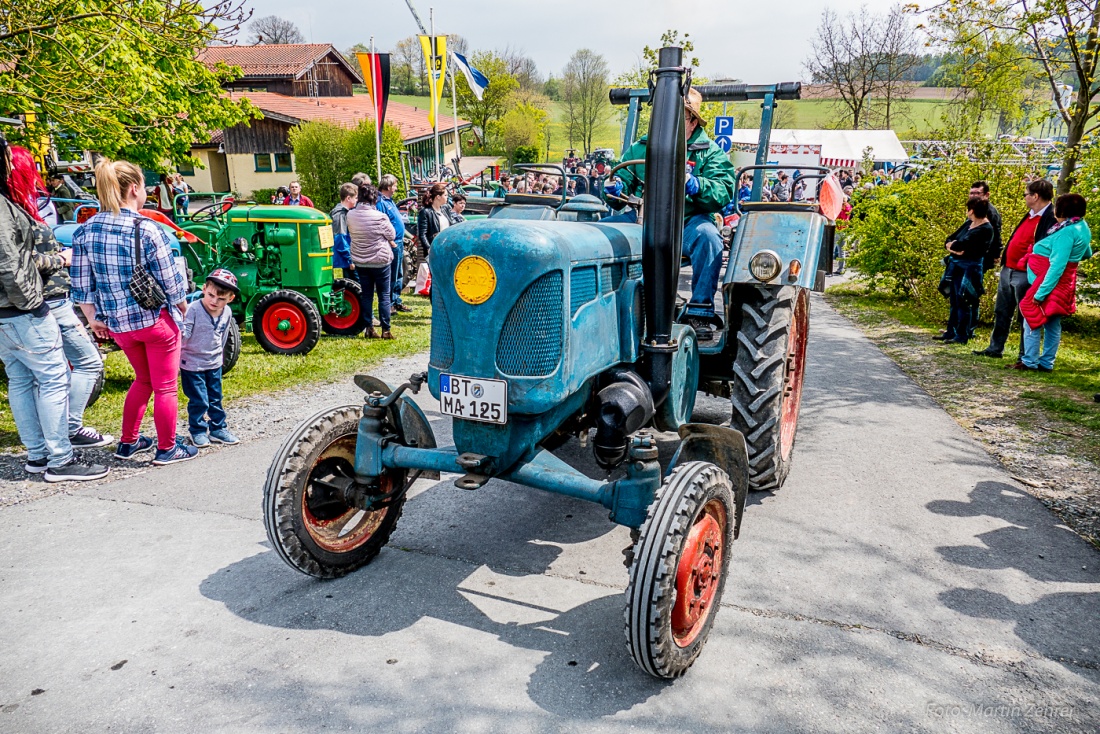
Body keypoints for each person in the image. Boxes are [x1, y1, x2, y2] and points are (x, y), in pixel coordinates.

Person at [72, 158, 196, 466]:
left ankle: (128, 442)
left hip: (118, 326)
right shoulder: (147, 229)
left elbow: (81, 284)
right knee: (165, 386)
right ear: (135, 188)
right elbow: (172, 283)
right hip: (154, 322)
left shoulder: (85, 232)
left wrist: (92, 319)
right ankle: (167, 448)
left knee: (142, 380)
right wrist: (184, 310)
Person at [0, 142, 110, 481]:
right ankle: (60, 459)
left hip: (7, 312)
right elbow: (12, 262)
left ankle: (37, 455)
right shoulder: (7, 208)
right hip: (25, 309)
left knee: (20, 380)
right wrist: (34, 302)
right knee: (53, 378)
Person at [604, 87, 738, 340]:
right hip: (644, 217)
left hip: (688, 220)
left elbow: (723, 190)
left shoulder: (709, 153)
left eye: (679, 118)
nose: (670, 124)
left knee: (709, 238)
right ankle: (609, 304)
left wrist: (698, 185)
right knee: (601, 233)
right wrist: (614, 188)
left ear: (693, 121)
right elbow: (621, 179)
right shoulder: (641, 148)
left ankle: (699, 311)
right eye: (666, 117)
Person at [974, 179, 1056, 360]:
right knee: (1002, 310)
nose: (1025, 198)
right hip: (1009, 268)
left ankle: (1024, 354)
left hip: (1026, 272)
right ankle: (995, 348)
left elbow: (1043, 247)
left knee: (1025, 314)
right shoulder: (1030, 214)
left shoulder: (1050, 217)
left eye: (1026, 194)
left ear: (1035, 196)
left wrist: (1028, 266)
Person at [1016, 193, 1093, 372]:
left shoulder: (1066, 232)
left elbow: (1057, 265)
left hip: (1050, 282)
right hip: (1065, 282)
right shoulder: (1080, 226)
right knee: (1052, 321)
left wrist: (1041, 292)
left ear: (1063, 209)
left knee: (1031, 315)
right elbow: (1087, 252)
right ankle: (1046, 362)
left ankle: (1030, 361)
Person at [180, 269, 240, 447]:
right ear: (204, 289)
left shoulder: (227, 312)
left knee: (216, 397)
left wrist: (218, 356)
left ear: (230, 299)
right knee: (199, 399)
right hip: (192, 364)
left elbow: (222, 336)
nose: (215, 301)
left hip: (213, 362)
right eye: (211, 295)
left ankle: (218, 429)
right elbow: (183, 337)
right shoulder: (193, 310)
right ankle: (197, 430)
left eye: (221, 299)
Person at [935, 197, 994, 345]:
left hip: (970, 269)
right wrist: (954, 247)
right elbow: (950, 239)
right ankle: (951, 331)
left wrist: (954, 247)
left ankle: (962, 335)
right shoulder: (969, 224)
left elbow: (962, 246)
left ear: (972, 210)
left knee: (964, 301)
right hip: (957, 266)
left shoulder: (985, 229)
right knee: (954, 300)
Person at [347, 184, 396, 339]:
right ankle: (386, 330)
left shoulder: (350, 215)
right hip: (380, 260)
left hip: (361, 259)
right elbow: (391, 234)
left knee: (367, 295)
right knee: (384, 295)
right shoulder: (380, 216)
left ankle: (368, 328)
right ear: (374, 198)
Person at [968, 180, 1003, 338]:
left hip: (980, 259)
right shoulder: (974, 210)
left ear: (986, 195)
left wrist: (994, 256)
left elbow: (995, 237)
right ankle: (961, 326)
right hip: (970, 257)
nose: (974, 196)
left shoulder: (990, 212)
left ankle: (969, 329)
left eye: (977, 193)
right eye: (971, 193)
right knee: (964, 292)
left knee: (971, 292)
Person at [376, 174, 411, 314]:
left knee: (399, 274)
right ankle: (389, 303)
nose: (396, 188)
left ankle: (396, 300)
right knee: (391, 274)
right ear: (389, 186)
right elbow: (381, 224)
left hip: (398, 242)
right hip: (392, 243)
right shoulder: (381, 202)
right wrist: (390, 241)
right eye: (395, 185)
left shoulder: (389, 201)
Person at [329, 182, 357, 278]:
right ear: (348, 198)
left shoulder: (346, 213)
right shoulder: (340, 214)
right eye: (356, 198)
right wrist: (349, 259)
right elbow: (340, 238)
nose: (357, 201)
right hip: (346, 260)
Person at [417, 182, 450, 259]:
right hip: (435, 248)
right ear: (438, 197)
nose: (447, 197)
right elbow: (422, 234)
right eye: (445, 195)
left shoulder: (445, 209)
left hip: (447, 247)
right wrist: (429, 248)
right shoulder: (425, 212)